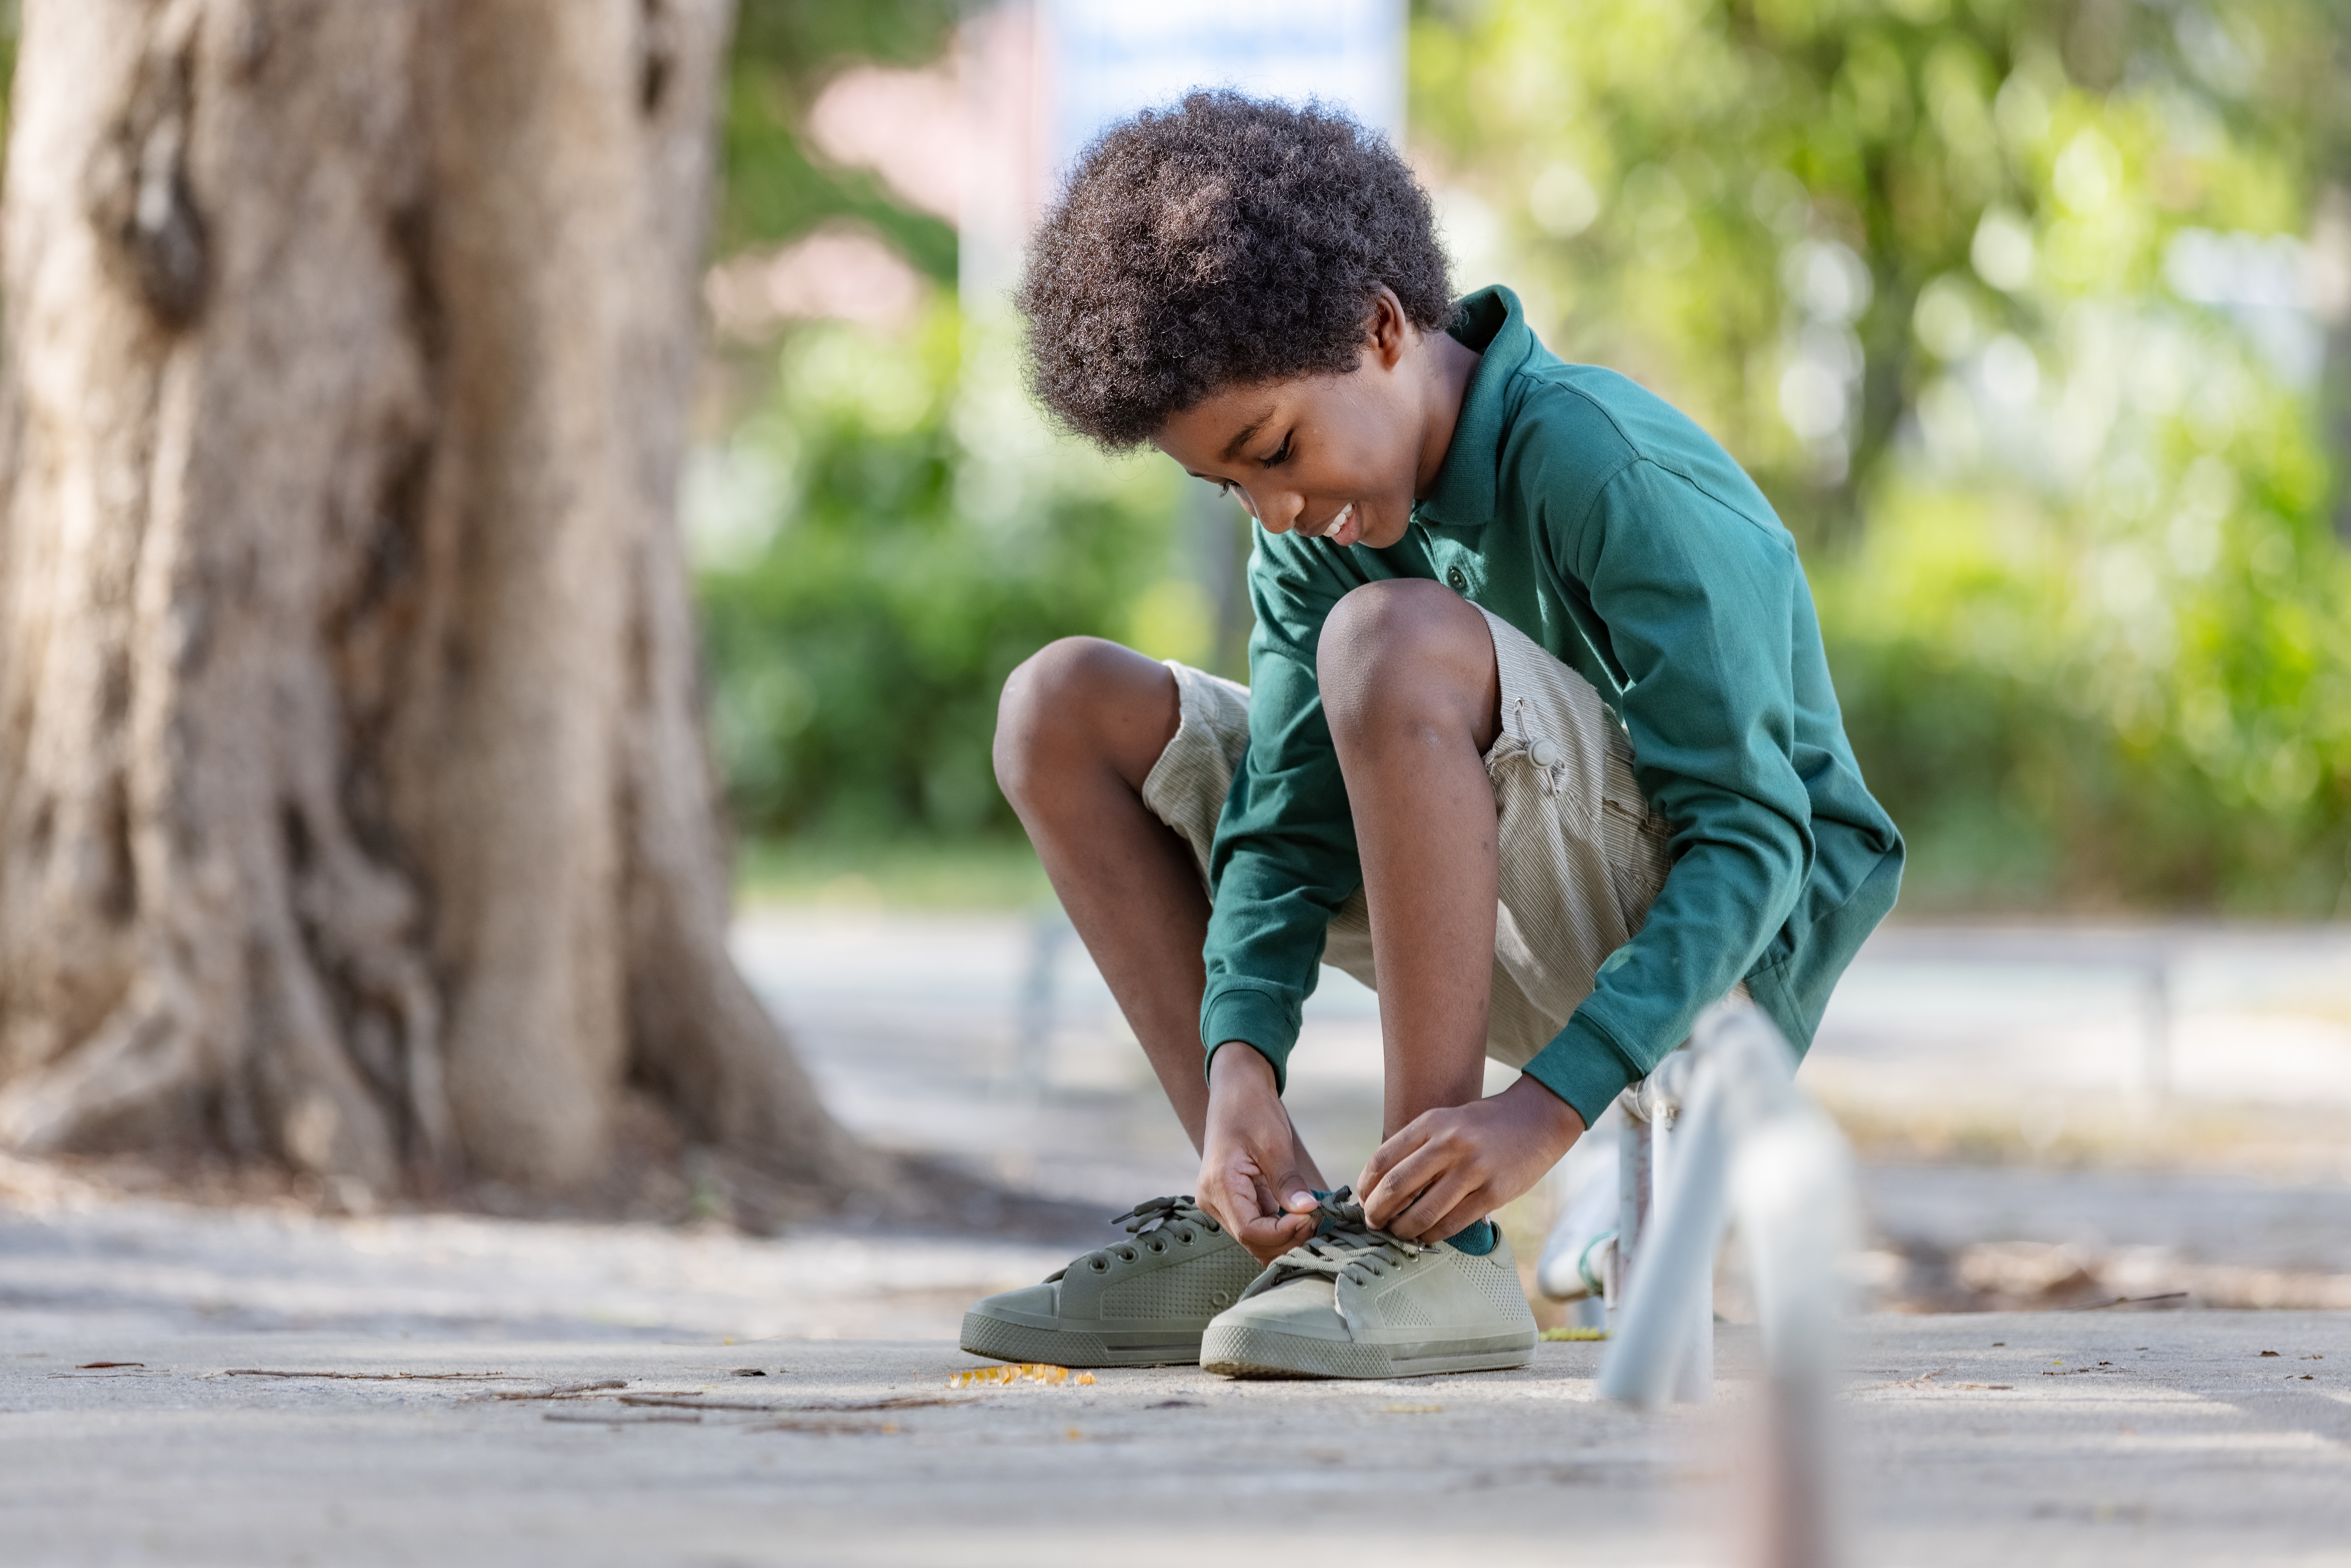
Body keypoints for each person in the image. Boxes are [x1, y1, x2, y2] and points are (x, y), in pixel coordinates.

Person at [960, 92, 1902, 1380]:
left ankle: (1429, 1249)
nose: (1275, 506)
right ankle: (1267, 1220)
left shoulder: (1601, 464)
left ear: (1382, 326)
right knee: (1058, 705)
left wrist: (1541, 1110)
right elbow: (1287, 822)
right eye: (1228, 484)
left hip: (1709, 948)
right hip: (1496, 881)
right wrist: (1240, 1059)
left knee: (1387, 639)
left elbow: (1757, 840)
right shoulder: (1313, 531)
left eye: (1274, 447)